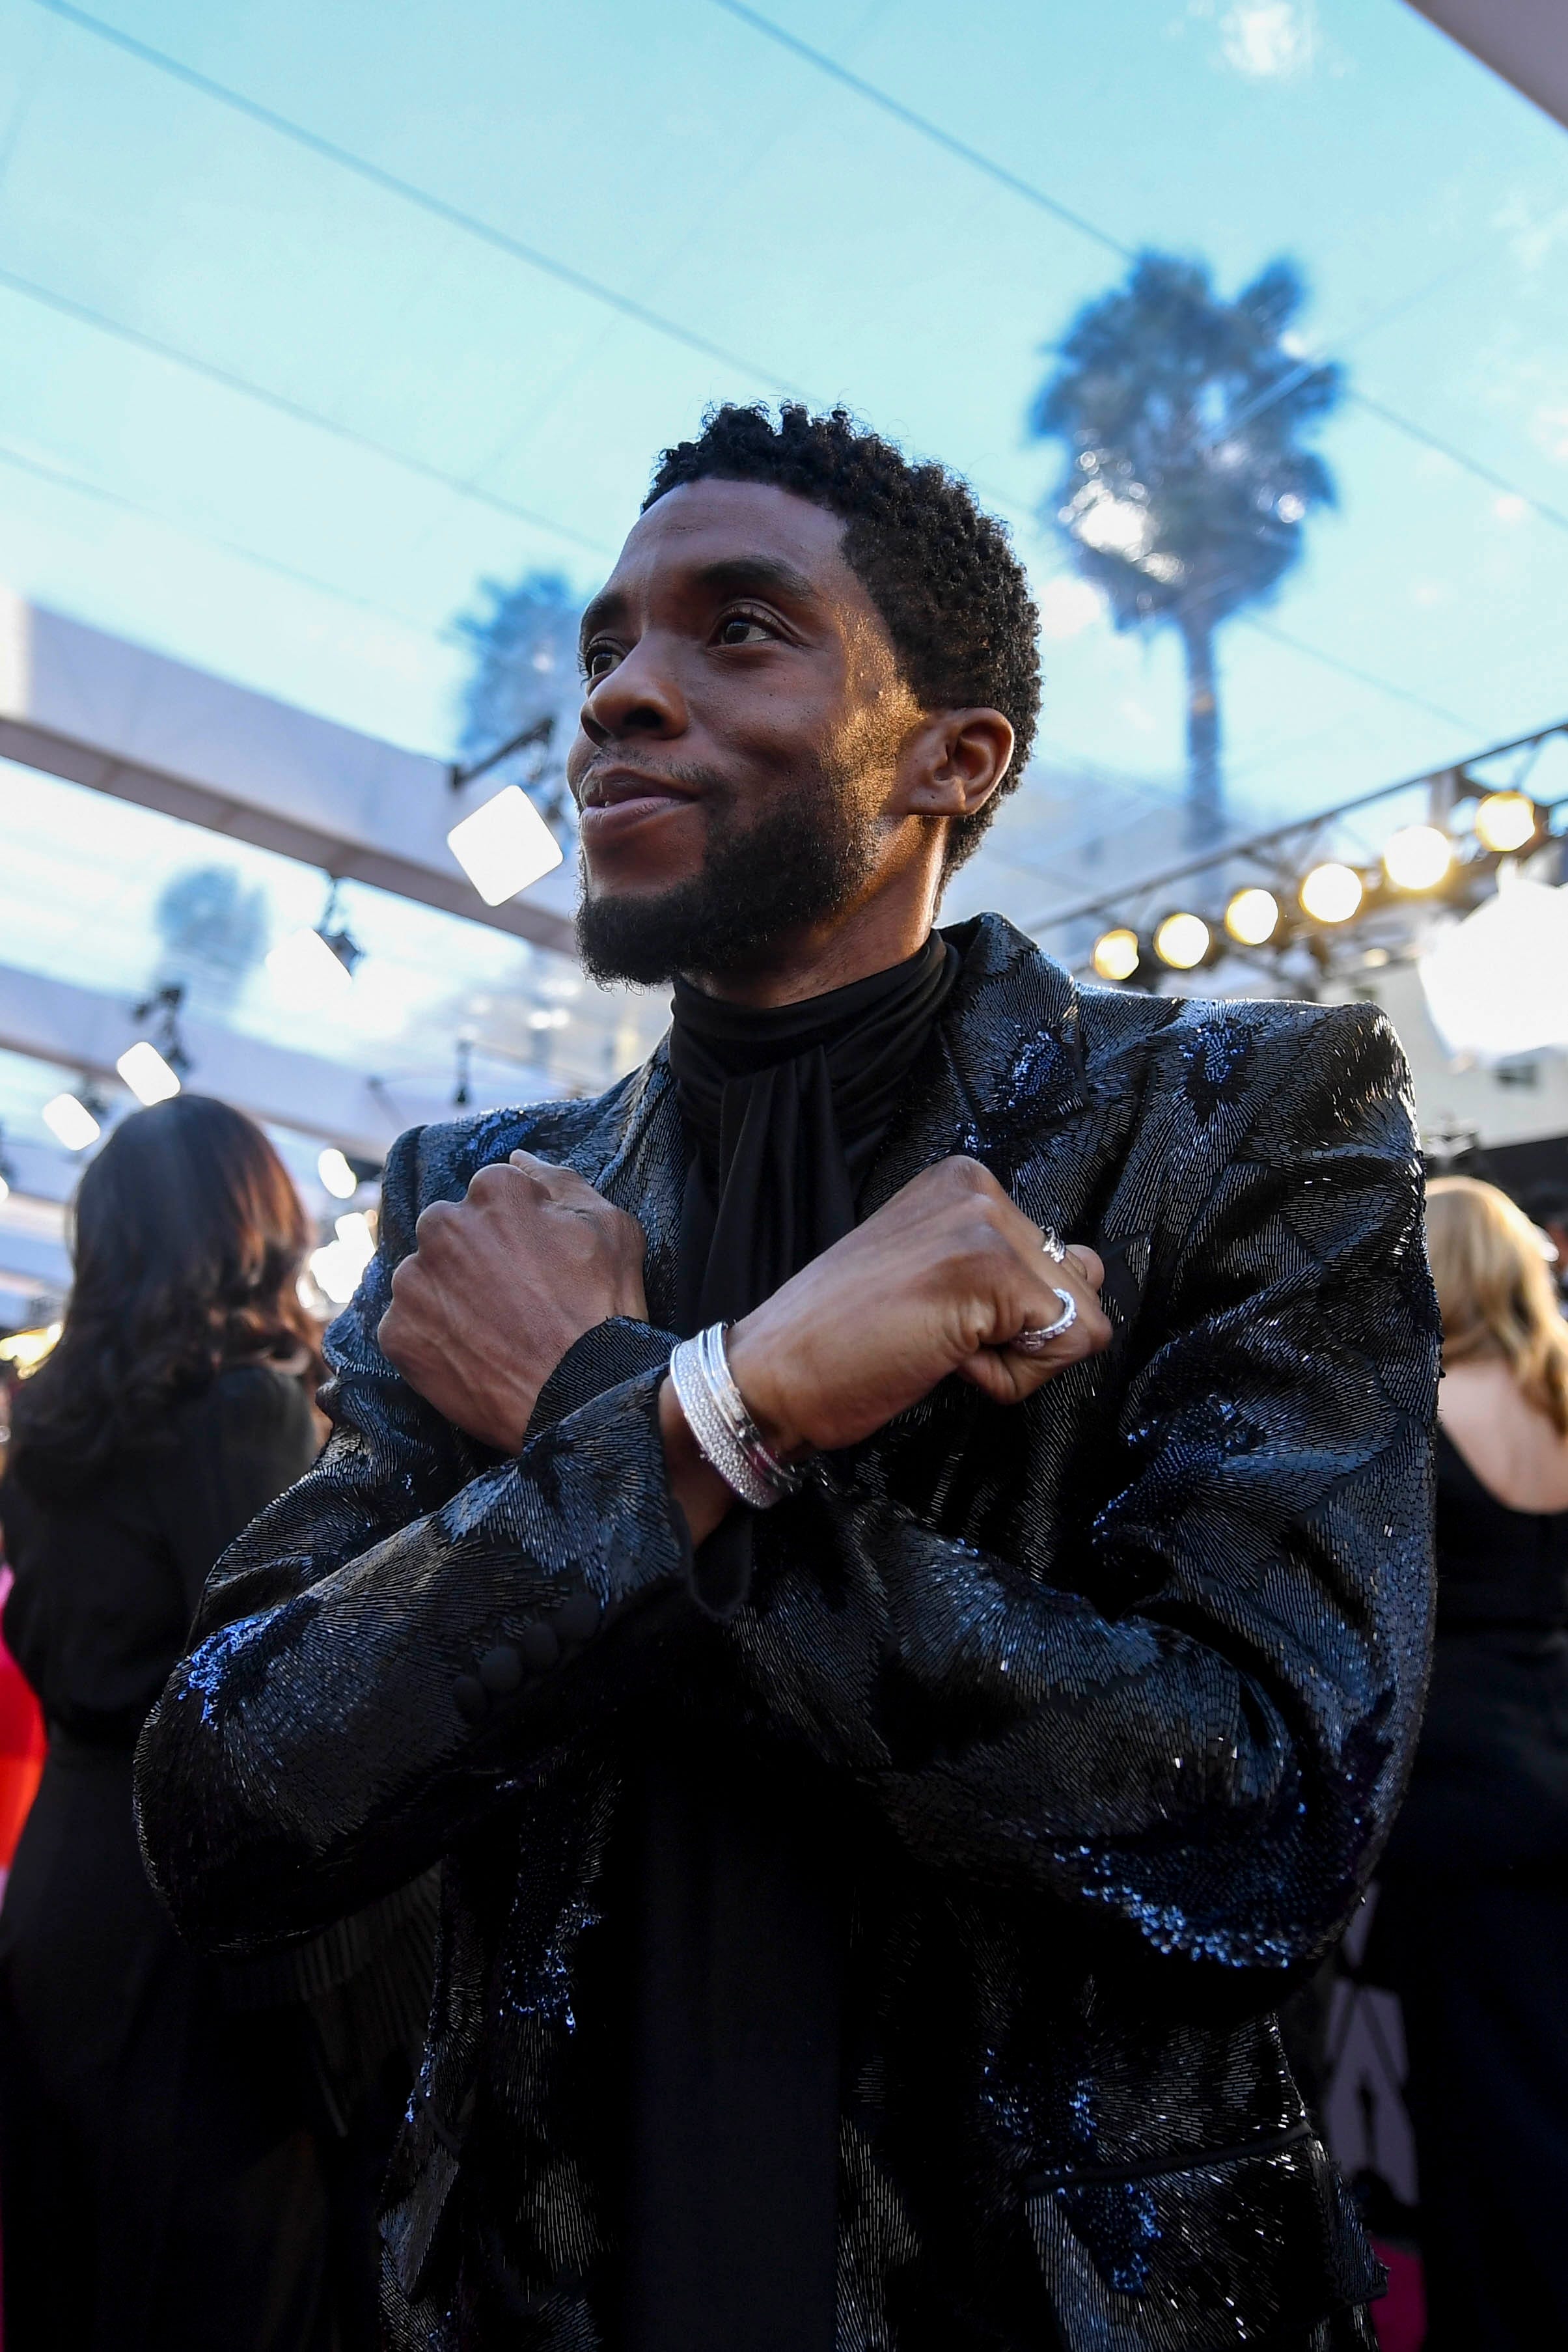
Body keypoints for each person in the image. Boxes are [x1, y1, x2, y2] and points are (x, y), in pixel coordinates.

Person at [135, 404, 1437, 2352]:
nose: (618, 695)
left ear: (951, 757)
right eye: (603, 647)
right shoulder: (488, 1203)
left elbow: (1261, 1820)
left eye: (737, 627)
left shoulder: (1229, 1122)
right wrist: (710, 1407)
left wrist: (617, 1405)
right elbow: (229, 1799)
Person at [0, 1095, 435, 2352]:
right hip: (197, 1942)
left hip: (59, 1907)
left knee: (71, 2278)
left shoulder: (47, 1425)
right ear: (256, 1225)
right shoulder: (242, 1408)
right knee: (221, 2296)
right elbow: (284, 1703)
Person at [1372, 1175, 1568, 2349]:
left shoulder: (1414, 1410)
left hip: (1458, 1775)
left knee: (1477, 2092)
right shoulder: (1559, 1392)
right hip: (1556, 1736)